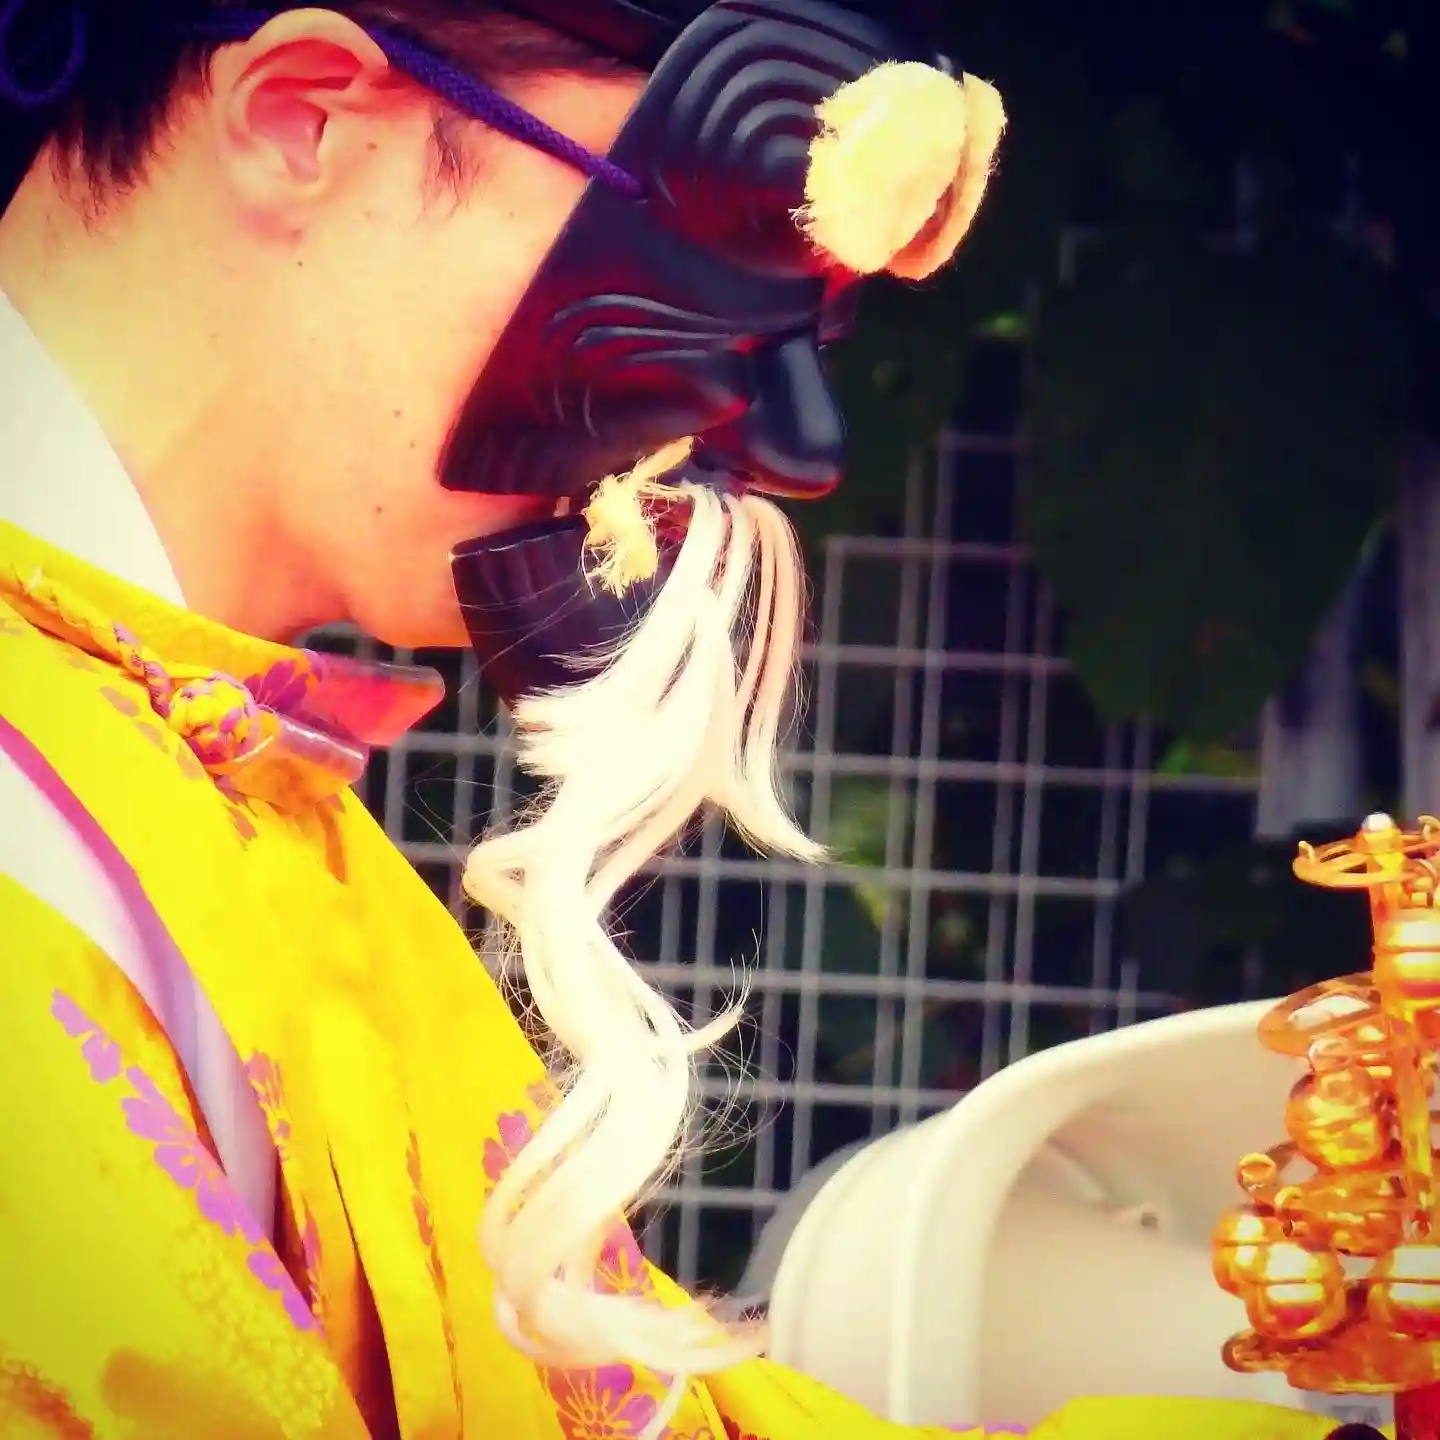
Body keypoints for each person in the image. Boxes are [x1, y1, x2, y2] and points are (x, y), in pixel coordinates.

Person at [0, 0, 1368, 1434]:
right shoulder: (42, 834)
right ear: (307, 118)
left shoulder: (227, 789)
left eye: (813, 322)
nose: (792, 444)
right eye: (723, 252)